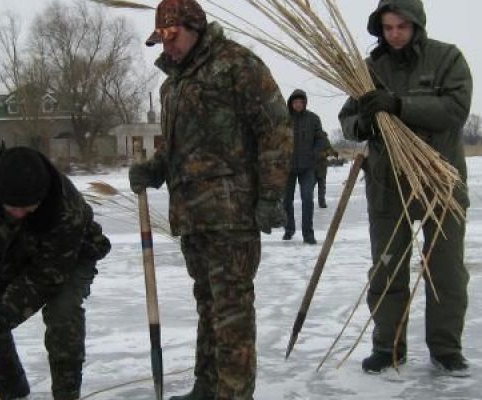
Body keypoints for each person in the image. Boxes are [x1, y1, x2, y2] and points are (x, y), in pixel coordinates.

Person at [129, 0, 292, 398]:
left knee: (232, 312)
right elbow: (177, 149)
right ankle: (208, 386)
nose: (167, 47)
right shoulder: (172, 86)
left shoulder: (237, 65)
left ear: (195, 27)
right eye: (161, 41)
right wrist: (155, 169)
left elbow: (276, 131)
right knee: (208, 307)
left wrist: (271, 196)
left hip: (232, 217)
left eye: (173, 37)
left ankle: (233, 393)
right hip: (192, 218)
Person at [338, 0, 473, 377]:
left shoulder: (447, 59)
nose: (394, 34)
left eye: (401, 26)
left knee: (444, 270)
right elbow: (348, 118)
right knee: (387, 269)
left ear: (416, 24)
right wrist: (362, 124)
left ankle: (446, 348)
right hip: (387, 184)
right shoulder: (369, 69)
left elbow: (454, 109)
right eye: (387, 27)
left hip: (438, 180)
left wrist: (399, 105)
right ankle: (388, 346)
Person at [0, 146, 111, 399]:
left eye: (28, 208)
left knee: (63, 314)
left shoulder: (65, 209)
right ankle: (10, 385)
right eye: (11, 207)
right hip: (9, 257)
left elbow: (44, 279)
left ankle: (66, 393)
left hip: (69, 259)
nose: (18, 214)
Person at [282, 89, 327, 245]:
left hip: (307, 167)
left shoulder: (313, 119)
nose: (298, 105)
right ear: (291, 103)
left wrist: (313, 154)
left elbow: (321, 139)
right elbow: (276, 139)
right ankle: (289, 229)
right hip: (288, 167)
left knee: (307, 199)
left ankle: (308, 234)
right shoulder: (284, 119)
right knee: (286, 200)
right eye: (295, 102)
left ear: (305, 103)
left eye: (301, 102)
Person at [314, 137, 339, 209]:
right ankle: (311, 203)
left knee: (322, 186)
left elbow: (329, 150)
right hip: (313, 167)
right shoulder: (311, 139)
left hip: (321, 167)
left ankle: (322, 202)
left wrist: (334, 153)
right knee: (311, 187)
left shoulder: (324, 140)